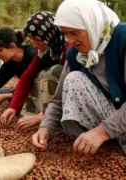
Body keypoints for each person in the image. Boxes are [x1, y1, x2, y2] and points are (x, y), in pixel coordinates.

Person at [32, 0, 126, 156]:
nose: (70, 40)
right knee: (73, 79)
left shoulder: (122, 40)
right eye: (65, 33)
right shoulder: (77, 55)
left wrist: (101, 133)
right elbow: (58, 99)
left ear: (91, 23)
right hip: (113, 120)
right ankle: (110, 146)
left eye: (74, 32)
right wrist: (45, 127)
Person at [0, 11, 71, 130]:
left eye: (36, 40)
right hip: (53, 103)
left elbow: (69, 89)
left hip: (67, 100)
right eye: (31, 40)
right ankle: (40, 113)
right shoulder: (44, 52)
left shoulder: (69, 50)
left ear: (48, 35)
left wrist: (42, 116)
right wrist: (13, 106)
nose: (34, 45)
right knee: (37, 76)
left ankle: (53, 118)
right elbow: (27, 76)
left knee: (55, 71)